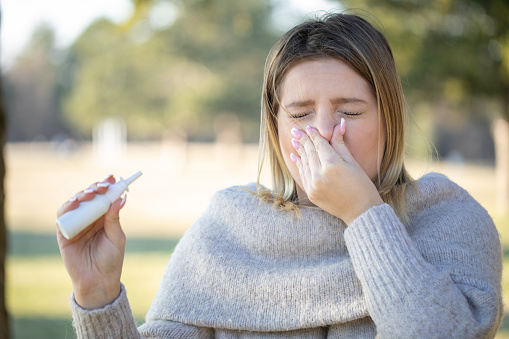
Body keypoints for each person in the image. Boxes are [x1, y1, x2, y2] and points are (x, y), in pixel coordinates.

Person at [57, 12, 503, 338]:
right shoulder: (228, 227)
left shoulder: (448, 218)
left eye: (350, 111)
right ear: (275, 128)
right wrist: (98, 295)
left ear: (390, 118)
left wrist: (363, 212)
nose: (325, 134)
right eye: (300, 114)